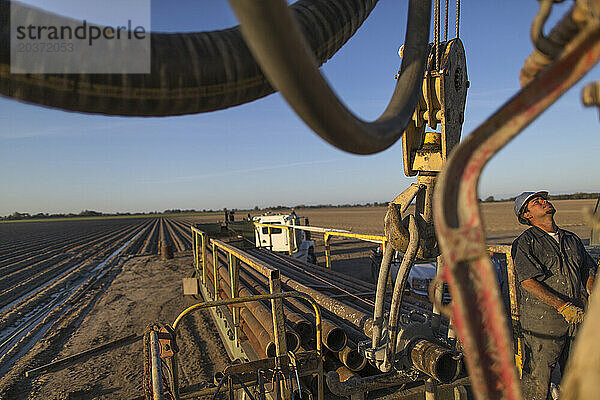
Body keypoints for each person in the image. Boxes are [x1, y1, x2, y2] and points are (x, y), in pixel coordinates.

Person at [511, 191, 596, 400]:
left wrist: (592, 291)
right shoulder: (525, 243)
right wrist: (562, 306)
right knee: (537, 380)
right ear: (527, 215)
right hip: (543, 324)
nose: (544, 202)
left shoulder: (571, 239)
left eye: (543, 198)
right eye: (536, 202)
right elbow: (528, 281)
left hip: (578, 319)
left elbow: (587, 269)